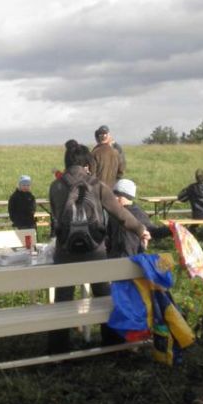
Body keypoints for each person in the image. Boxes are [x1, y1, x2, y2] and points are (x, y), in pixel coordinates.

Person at [48, 144, 149, 351]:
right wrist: (140, 229)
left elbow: (57, 216)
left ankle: (58, 348)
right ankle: (112, 342)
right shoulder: (98, 185)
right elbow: (120, 214)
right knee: (103, 295)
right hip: (94, 251)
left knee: (63, 299)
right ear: (87, 164)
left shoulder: (55, 186)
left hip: (65, 251)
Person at [107, 179, 170, 258]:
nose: (115, 198)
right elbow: (108, 234)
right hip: (113, 256)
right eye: (114, 195)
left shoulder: (138, 214)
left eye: (118, 196)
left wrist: (170, 229)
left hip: (132, 256)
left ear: (127, 197)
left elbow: (153, 231)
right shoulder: (114, 213)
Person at [176, 169, 203, 240]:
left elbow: (181, 198)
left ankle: (191, 234)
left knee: (194, 218)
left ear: (196, 178)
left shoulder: (192, 188)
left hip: (197, 214)